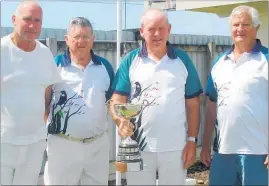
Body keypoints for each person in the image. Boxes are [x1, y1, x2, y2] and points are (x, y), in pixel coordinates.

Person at [109, 8, 203, 185]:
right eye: (151, 29)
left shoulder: (183, 60)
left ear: (169, 29)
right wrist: (120, 120)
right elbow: (117, 100)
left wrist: (192, 141)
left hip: (176, 147)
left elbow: (193, 105)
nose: (157, 33)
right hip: (138, 147)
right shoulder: (130, 61)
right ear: (142, 31)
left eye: (161, 28)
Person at [44, 17, 114, 185]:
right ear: (67, 40)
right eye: (76, 37)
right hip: (62, 146)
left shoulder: (106, 67)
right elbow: (44, 103)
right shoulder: (55, 66)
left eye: (85, 37)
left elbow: (112, 102)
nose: (81, 42)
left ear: (93, 39)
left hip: (97, 145)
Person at [205, 5, 268, 185]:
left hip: (258, 152)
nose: (240, 29)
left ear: (256, 27)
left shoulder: (266, 59)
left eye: (245, 24)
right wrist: (205, 143)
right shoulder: (219, 63)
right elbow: (211, 105)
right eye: (236, 25)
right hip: (223, 152)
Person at [1, 1, 61, 185]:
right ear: (13, 19)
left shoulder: (45, 54)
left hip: (34, 144)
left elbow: (47, 94)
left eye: (37, 20)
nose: (32, 25)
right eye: (27, 19)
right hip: (3, 143)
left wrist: (40, 132)